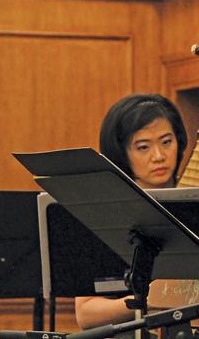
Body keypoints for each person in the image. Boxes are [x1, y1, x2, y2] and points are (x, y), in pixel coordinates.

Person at [75, 94, 187, 330]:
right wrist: (149, 300)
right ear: (121, 153)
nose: (159, 156)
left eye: (166, 142)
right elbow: (85, 314)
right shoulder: (105, 215)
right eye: (143, 147)